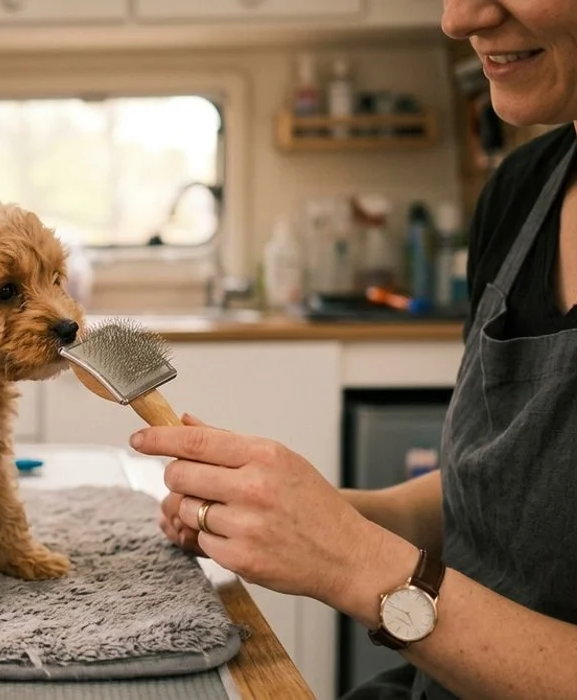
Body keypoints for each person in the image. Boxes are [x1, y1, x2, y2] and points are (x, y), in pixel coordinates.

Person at [129, 1, 577, 698]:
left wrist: (356, 564)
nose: (458, 19)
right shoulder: (522, 194)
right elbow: (498, 494)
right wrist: (317, 519)